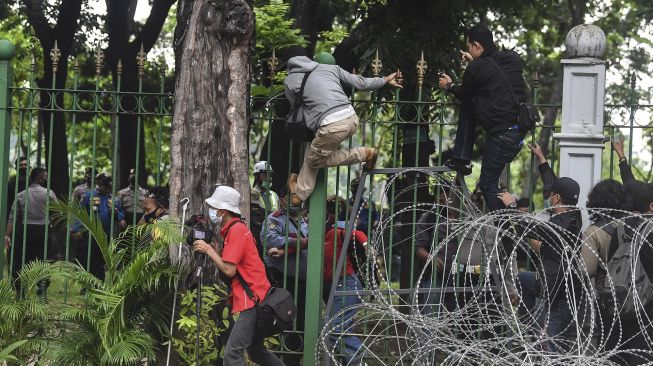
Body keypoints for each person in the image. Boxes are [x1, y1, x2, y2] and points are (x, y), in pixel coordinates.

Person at [283, 47, 402, 206]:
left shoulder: (290, 80)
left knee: (313, 160)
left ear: (289, 64)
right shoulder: (330, 68)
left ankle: (298, 196)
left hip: (331, 125)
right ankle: (364, 154)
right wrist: (385, 79)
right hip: (351, 118)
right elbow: (361, 82)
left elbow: (296, 109)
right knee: (316, 155)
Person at [499, 143, 582, 353]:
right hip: (552, 286)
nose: (548, 198)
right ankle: (528, 325)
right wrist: (541, 160)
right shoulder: (570, 216)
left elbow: (529, 229)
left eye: (551, 195)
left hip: (559, 294)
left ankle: (533, 335)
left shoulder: (563, 225)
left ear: (556, 198)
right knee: (523, 280)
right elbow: (553, 184)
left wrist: (511, 206)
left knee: (554, 346)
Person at [438, 24, 528, 211]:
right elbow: (493, 76)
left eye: (469, 46)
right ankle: (506, 228)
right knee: (490, 183)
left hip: (502, 135)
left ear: (477, 45)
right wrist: (474, 62)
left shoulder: (477, 67)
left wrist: (449, 85)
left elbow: (464, 92)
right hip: (519, 130)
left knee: (487, 185)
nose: (469, 50)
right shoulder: (510, 59)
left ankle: (506, 233)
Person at [192, 185, 283, 366]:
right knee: (257, 352)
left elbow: (229, 270)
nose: (213, 212)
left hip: (253, 300)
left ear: (224, 211)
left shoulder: (237, 231)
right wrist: (216, 251)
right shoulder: (235, 229)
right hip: (256, 296)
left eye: (215, 208)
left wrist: (209, 250)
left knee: (232, 356)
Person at [263, 187, 308, 366]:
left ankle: (295, 358)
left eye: (298, 195)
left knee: (302, 323)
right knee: (284, 321)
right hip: (284, 281)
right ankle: (281, 359)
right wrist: (301, 242)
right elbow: (270, 240)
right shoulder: (274, 219)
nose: (296, 199)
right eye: (292, 195)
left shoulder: (305, 220)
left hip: (304, 282)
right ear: (282, 199)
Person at [322, 199, 367, 365]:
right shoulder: (318, 235)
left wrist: (366, 244)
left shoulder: (337, 231)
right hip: (335, 285)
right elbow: (301, 243)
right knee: (335, 329)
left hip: (347, 282)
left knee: (336, 328)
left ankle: (358, 360)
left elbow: (356, 233)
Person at [5, 167, 57, 297]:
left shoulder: (21, 195)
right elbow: (57, 211)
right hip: (43, 231)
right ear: (39, 178)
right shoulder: (48, 193)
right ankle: (42, 286)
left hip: (26, 231)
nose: (46, 178)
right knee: (43, 259)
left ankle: (20, 290)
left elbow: (12, 217)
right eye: (45, 176)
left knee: (22, 260)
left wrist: (7, 235)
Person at [75, 174, 125, 280]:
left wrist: (116, 214)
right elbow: (80, 212)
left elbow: (120, 214)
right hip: (90, 233)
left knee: (101, 259)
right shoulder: (89, 196)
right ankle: (87, 282)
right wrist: (76, 229)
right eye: (104, 186)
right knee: (88, 257)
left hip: (105, 235)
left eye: (108, 187)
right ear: (99, 185)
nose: (106, 189)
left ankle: (99, 281)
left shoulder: (113, 199)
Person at [251, 161, 280, 258]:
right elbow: (256, 215)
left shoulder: (274, 195)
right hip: (258, 236)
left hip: (273, 235)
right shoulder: (252, 194)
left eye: (270, 175)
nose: (269, 178)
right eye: (264, 175)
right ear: (257, 176)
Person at [6, 157, 28, 223]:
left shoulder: (33, 182)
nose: (24, 167)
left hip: (30, 219)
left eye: (26, 164)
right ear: (16, 168)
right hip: (14, 219)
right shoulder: (11, 183)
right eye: (21, 165)